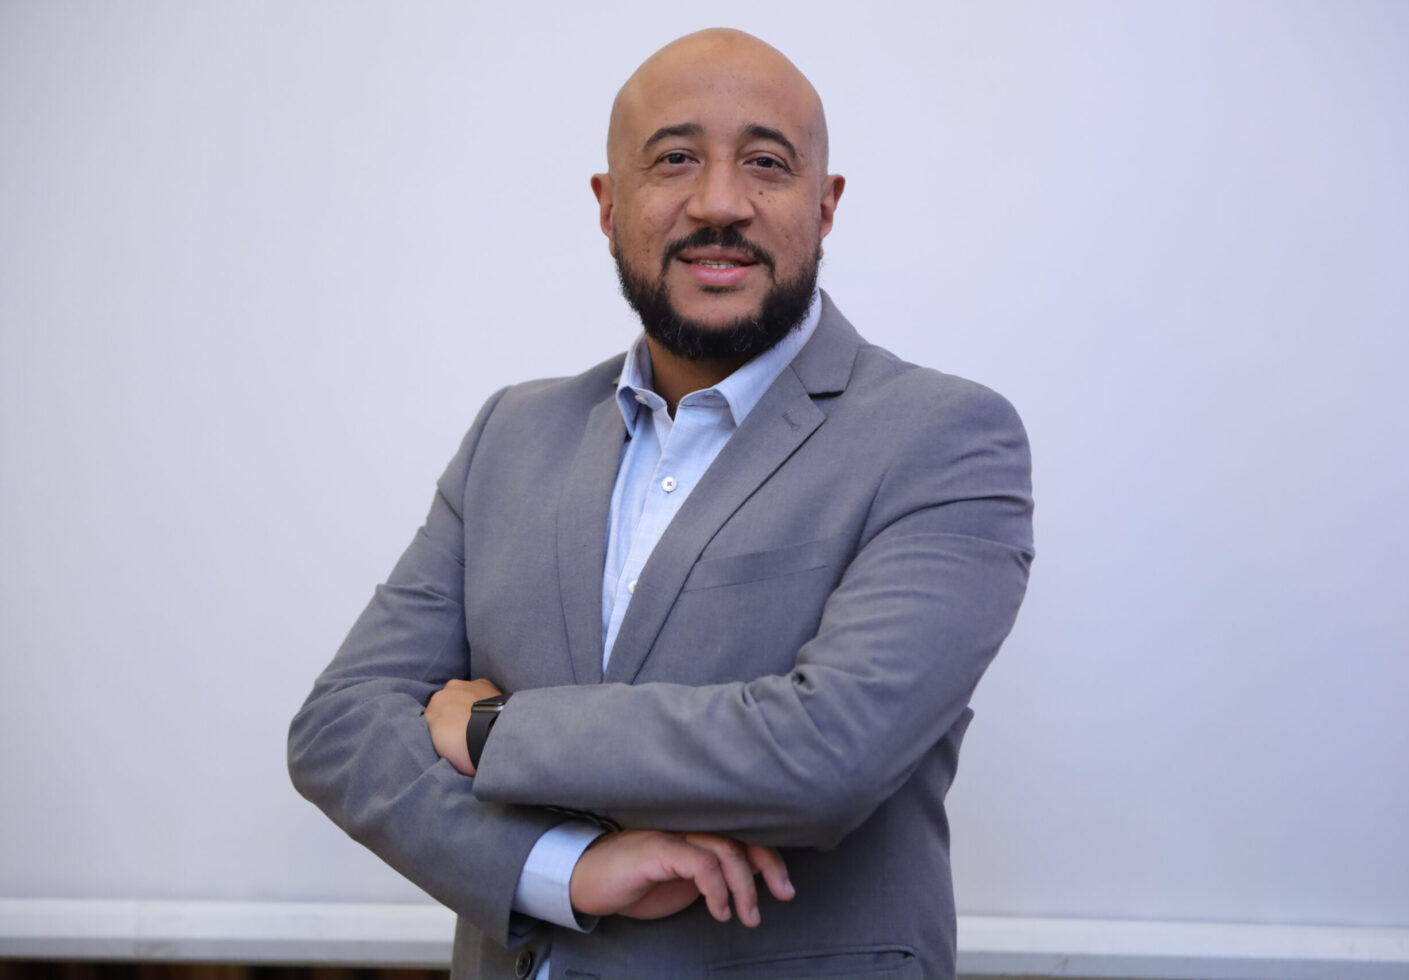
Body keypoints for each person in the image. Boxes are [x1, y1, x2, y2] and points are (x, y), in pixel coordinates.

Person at [288, 27, 1033, 980]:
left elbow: (825, 755)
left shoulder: (943, 438)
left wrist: (492, 730)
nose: (719, 203)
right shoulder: (511, 434)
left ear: (825, 204)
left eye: (767, 163)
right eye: (675, 159)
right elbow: (341, 725)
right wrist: (563, 869)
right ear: (609, 205)